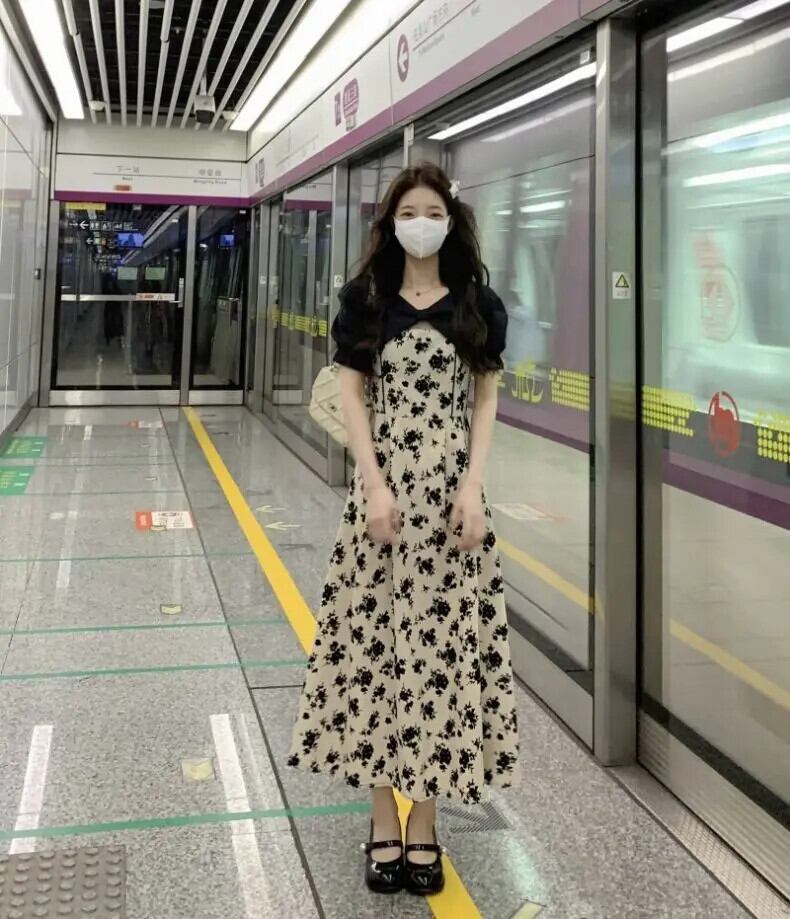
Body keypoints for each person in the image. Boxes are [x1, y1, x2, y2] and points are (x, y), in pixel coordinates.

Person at [287, 162, 519, 896]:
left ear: (452, 221)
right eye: (409, 212)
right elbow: (353, 396)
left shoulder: (477, 303)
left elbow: (485, 398)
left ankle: (426, 820)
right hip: (382, 500)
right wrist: (374, 484)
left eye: (434, 212)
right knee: (376, 653)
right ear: (390, 224)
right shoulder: (367, 300)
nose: (422, 223)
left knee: (441, 659)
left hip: (453, 506)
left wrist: (473, 486)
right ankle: (383, 812)